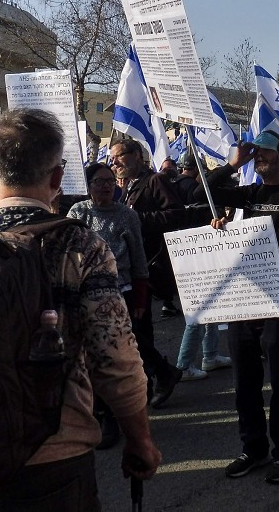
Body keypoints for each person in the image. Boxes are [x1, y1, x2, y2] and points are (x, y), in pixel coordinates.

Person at [0, 109, 159, 508]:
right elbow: (114, 357)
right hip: (52, 451)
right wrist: (140, 439)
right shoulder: (78, 246)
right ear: (57, 179)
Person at [195, 130, 279, 484]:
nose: (260, 156)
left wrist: (236, 237)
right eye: (256, 151)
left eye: (267, 151)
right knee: (244, 382)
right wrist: (232, 166)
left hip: (277, 298)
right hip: (242, 299)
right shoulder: (250, 193)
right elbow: (200, 192)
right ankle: (254, 448)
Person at [67, 162, 152, 446]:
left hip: (120, 293)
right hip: (85, 296)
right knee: (90, 357)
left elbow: (138, 255)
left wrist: (140, 295)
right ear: (88, 185)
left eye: (110, 181)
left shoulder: (127, 215)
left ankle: (119, 415)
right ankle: (99, 414)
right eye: (99, 181)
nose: (105, 186)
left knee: (116, 358)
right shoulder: (78, 213)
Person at [108, 140, 185, 407]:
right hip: (127, 267)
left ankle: (157, 377)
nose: (114, 162)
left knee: (136, 327)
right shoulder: (125, 186)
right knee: (134, 328)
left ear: (137, 156)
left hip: (149, 265)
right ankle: (149, 383)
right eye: (112, 158)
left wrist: (135, 219)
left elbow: (176, 214)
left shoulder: (155, 181)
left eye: (119, 156)